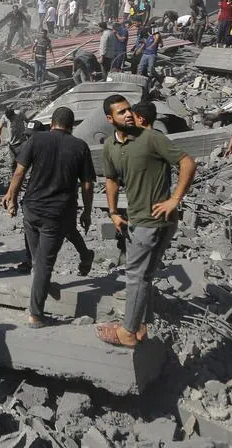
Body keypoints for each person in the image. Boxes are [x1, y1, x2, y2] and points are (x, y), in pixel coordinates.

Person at [96, 95, 196, 348]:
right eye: (121, 112)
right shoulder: (110, 146)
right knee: (145, 275)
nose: (128, 114)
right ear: (110, 119)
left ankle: (128, 331)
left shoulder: (151, 138)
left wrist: (175, 199)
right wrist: (113, 212)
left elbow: (187, 162)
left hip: (152, 221)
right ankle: (141, 323)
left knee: (135, 276)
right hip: (140, 220)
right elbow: (111, 179)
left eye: (129, 110)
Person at [1, 107, 95, 327]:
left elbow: (19, 172)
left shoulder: (36, 140)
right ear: (71, 126)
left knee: (37, 261)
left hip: (31, 209)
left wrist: (12, 198)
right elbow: (87, 185)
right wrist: (88, 211)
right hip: (57, 213)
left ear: (52, 123)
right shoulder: (80, 146)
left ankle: (43, 289)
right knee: (43, 264)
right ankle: (36, 314)